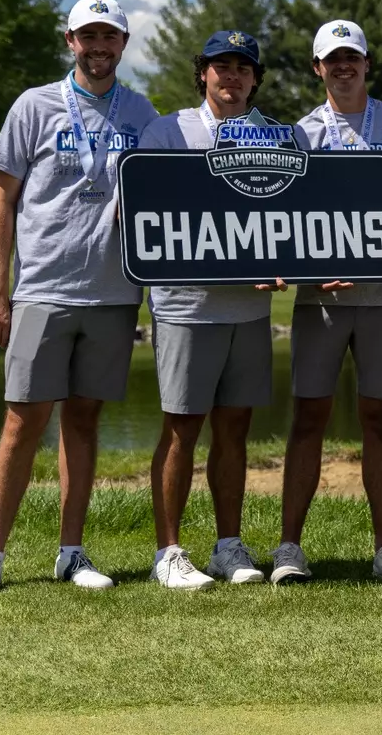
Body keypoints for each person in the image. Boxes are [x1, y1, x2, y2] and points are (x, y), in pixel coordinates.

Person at [0, 0, 159, 597]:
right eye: (88, 36)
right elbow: (2, 200)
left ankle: (71, 552)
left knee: (84, 419)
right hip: (43, 287)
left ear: (123, 44)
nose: (99, 47)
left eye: (110, 38)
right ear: (69, 40)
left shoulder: (142, 114)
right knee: (23, 419)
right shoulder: (34, 106)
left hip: (114, 292)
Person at [274, 19, 382, 586]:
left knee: (380, 419)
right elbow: (287, 218)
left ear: (367, 64)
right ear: (317, 68)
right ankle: (290, 546)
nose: (343, 66)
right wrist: (308, 263)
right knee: (308, 416)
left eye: (352, 57)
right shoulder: (299, 134)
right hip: (322, 297)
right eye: (331, 59)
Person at [137, 30, 290, 590]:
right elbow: (147, 210)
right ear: (203, 73)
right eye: (221, 66)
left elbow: (288, 216)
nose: (232, 77)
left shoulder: (277, 137)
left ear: (255, 79)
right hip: (186, 305)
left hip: (247, 309)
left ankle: (228, 545)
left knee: (235, 430)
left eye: (243, 68)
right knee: (181, 427)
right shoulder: (168, 130)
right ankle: (169, 552)